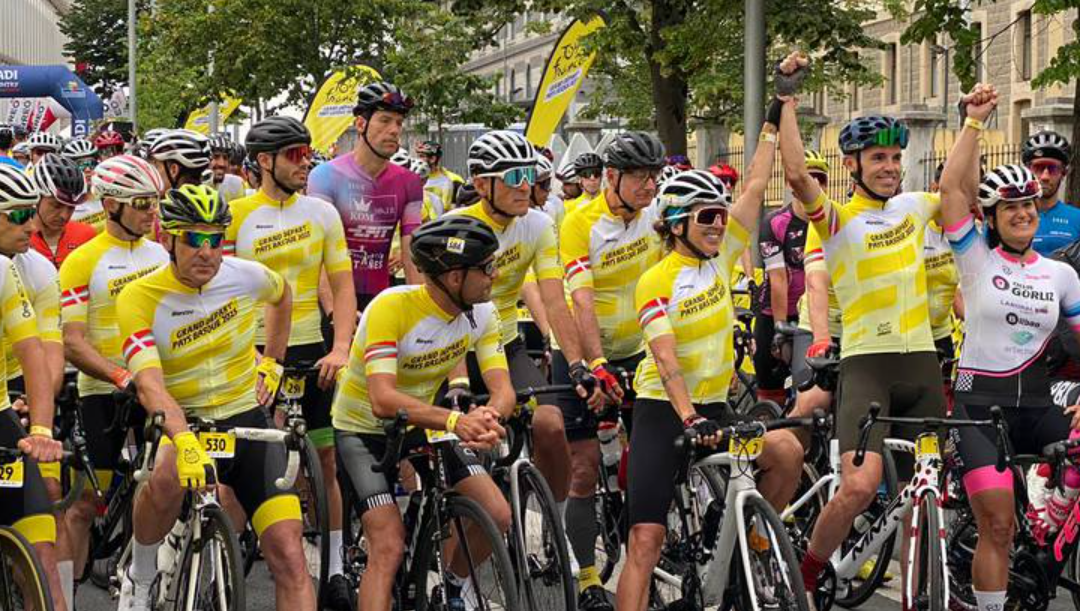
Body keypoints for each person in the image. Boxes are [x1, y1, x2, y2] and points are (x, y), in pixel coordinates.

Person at [776, 57, 950, 609]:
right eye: (879, 157)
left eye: (897, 157)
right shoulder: (837, 219)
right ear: (853, 164)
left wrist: (971, 122)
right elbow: (798, 175)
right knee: (858, 485)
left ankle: (923, 587)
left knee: (926, 492)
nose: (891, 166)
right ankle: (807, 572)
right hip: (869, 363)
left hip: (921, 361)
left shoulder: (915, 208)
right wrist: (786, 99)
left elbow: (959, 190)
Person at [615, 148, 804, 611]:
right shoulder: (656, 279)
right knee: (646, 538)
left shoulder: (720, 260)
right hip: (664, 409)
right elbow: (664, 359)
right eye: (708, 216)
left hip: (715, 407)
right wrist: (688, 416)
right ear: (677, 224)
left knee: (787, 451)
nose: (720, 224)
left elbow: (757, 186)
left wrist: (777, 110)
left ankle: (749, 539)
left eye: (722, 215)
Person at [116, 185, 314, 611]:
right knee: (166, 473)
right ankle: (142, 575)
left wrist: (273, 362)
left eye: (215, 239)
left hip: (245, 417)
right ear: (165, 236)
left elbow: (282, 297)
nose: (206, 252)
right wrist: (183, 440)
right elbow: (150, 384)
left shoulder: (245, 275)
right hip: (182, 417)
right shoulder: (139, 296)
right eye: (193, 239)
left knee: (290, 557)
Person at [941, 82, 1080, 611]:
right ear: (993, 217)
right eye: (1011, 206)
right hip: (980, 410)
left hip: (1040, 405)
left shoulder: (1061, 274)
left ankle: (1051, 511)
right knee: (997, 524)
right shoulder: (977, 261)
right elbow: (953, 190)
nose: (1024, 212)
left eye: (1029, 204)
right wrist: (974, 122)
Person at [332, 216, 514, 611]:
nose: (495, 275)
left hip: (421, 424)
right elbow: (382, 399)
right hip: (363, 430)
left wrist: (489, 417)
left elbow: (503, 390)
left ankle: (451, 586)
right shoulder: (391, 307)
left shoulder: (481, 313)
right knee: (388, 544)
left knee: (498, 513)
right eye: (486, 268)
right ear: (453, 278)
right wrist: (455, 421)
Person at [229, 115, 357, 607]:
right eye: (294, 155)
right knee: (248, 461)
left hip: (310, 349)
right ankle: (225, 554)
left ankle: (338, 568)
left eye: (308, 154)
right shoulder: (237, 214)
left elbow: (342, 287)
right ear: (265, 161)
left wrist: (341, 347)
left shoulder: (322, 214)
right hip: (253, 352)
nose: (306, 163)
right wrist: (250, 358)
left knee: (325, 461)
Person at [558, 131, 667, 611]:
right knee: (582, 471)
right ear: (611, 177)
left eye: (655, 176)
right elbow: (580, 299)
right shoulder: (578, 221)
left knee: (648, 461)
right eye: (641, 176)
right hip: (585, 352)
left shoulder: (657, 216)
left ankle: (646, 555)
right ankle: (586, 577)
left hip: (638, 351)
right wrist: (595, 363)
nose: (649, 185)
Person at [59, 155, 170, 587]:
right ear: (110, 206)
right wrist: (119, 375)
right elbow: (72, 341)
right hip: (102, 390)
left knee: (165, 490)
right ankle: (65, 596)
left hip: (153, 385)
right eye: (142, 203)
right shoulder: (82, 261)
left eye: (155, 202)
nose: (151, 212)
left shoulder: (161, 254)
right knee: (86, 502)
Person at [0, 164, 69, 611]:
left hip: (3, 408)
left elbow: (38, 356)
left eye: (31, 213)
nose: (31, 225)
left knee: (42, 552)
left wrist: (41, 432)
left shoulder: (17, 271)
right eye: (18, 215)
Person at [307, 81, 424, 310]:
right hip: (331, 297)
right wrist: (333, 313)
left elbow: (412, 253)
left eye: (399, 123)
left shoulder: (409, 182)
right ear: (360, 123)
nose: (394, 130)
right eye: (385, 120)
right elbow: (318, 253)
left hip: (379, 298)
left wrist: (421, 313)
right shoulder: (325, 176)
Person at [752, 150, 820, 405]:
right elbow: (778, 278)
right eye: (808, 177)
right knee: (770, 390)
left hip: (814, 316)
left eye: (820, 179)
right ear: (791, 185)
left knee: (811, 388)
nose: (813, 184)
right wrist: (780, 327)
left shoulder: (831, 219)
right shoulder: (776, 223)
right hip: (775, 313)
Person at [29, 154, 96, 267]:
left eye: (71, 207)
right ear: (37, 197)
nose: (64, 215)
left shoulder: (87, 235)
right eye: (56, 206)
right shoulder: (17, 238)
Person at [1023, 130, 1080, 256]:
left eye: (1053, 169)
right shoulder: (1008, 218)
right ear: (1027, 171)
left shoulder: (1077, 218)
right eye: (1038, 168)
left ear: (1064, 173)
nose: (1045, 176)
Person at [62, 138, 107, 233]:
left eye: (91, 164)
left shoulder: (106, 196)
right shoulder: (64, 204)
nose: (87, 169)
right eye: (81, 165)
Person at [415, 140, 464, 207]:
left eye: (421, 156)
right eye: (417, 156)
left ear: (433, 159)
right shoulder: (414, 179)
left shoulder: (454, 180)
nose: (417, 160)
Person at [208, 134, 247, 203]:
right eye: (216, 157)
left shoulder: (236, 184)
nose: (222, 163)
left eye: (225, 158)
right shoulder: (193, 183)